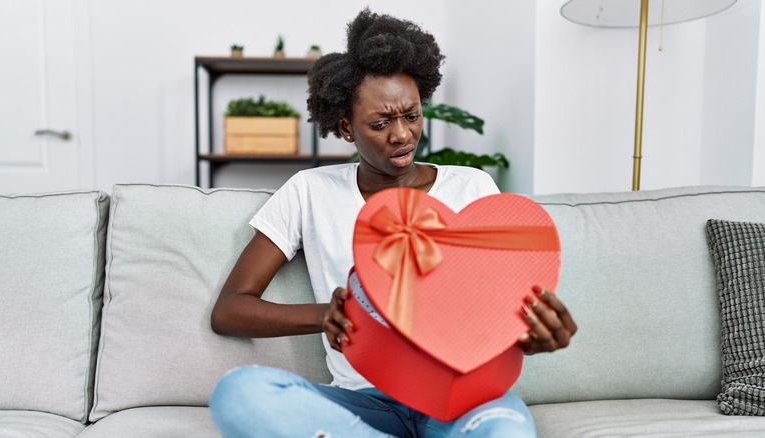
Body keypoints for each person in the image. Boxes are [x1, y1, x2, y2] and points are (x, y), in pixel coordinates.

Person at [208, 8, 577, 438]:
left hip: (459, 399)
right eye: (380, 123)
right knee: (240, 392)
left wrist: (532, 334)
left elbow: (498, 309)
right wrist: (328, 314)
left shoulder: (471, 188)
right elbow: (230, 309)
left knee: (505, 431)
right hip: (361, 400)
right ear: (346, 128)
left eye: (412, 115)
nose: (401, 134)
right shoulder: (309, 191)